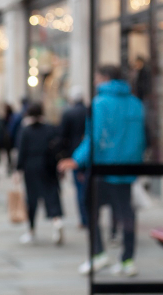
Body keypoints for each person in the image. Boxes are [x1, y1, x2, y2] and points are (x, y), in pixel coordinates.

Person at [59, 65, 147, 276]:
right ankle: (127, 260)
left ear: (105, 78)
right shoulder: (136, 103)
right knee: (126, 215)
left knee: (91, 210)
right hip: (127, 169)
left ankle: (98, 254)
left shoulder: (100, 103)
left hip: (103, 168)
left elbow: (95, 138)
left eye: (97, 77)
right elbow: (142, 138)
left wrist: (76, 160)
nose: (95, 82)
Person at [16, 102, 64, 244]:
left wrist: (18, 169)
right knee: (52, 196)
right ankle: (57, 223)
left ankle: (31, 230)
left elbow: (22, 151)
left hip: (31, 168)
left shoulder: (26, 131)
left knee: (32, 200)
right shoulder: (49, 128)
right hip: (48, 168)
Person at [60, 85, 89, 228]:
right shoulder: (89, 111)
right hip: (88, 154)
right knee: (88, 186)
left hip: (76, 155)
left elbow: (63, 136)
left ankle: (84, 219)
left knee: (80, 188)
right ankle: (89, 217)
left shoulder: (69, 113)